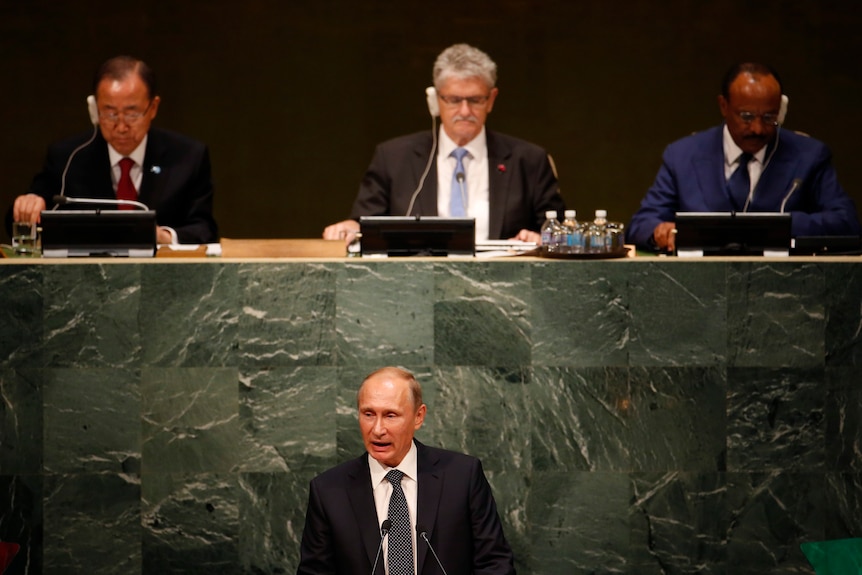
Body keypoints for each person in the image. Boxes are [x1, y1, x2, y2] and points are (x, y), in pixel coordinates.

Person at [323, 43, 565, 245]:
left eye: (475, 100)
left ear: (491, 99)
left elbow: (559, 233)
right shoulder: (394, 157)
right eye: (453, 100)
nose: (465, 110)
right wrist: (350, 227)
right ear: (435, 100)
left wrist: (541, 239)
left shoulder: (528, 159)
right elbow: (365, 222)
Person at [296, 367, 515, 575]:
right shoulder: (329, 490)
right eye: (368, 414)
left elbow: (494, 563)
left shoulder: (462, 476)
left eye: (391, 415)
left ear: (418, 416)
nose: (378, 429)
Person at [626, 62, 861, 252]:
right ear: (723, 106)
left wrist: (776, 226)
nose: (758, 129)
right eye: (746, 116)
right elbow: (641, 224)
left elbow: (846, 223)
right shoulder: (683, 155)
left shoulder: (810, 155)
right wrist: (661, 232)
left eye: (770, 117)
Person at [8, 55, 218, 245]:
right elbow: (18, 225)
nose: (121, 127)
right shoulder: (68, 157)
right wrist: (28, 206)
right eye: (109, 114)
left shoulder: (188, 156)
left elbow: (205, 230)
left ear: (153, 108)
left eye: (131, 114)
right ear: (94, 109)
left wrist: (164, 237)